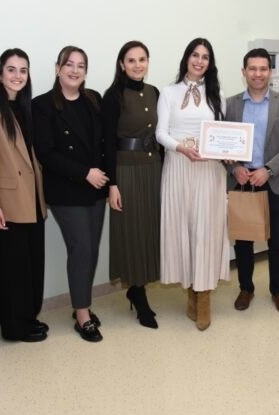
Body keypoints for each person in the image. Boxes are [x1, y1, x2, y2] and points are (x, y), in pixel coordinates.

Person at [0, 48, 48, 343]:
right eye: (11, 69)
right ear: (0, 74)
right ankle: (14, 328)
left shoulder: (27, 107)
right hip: (7, 202)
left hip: (33, 199)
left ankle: (29, 318)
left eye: (23, 70)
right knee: (12, 269)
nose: (17, 76)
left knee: (32, 266)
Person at [33, 46, 107, 342]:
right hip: (66, 189)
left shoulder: (93, 99)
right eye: (69, 64)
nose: (75, 70)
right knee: (82, 249)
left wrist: (106, 180)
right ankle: (82, 315)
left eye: (81, 66)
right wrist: (85, 173)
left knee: (92, 251)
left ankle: (82, 303)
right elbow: (46, 153)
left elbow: (102, 144)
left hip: (96, 188)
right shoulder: (42, 105)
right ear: (58, 68)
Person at [156, 38, 228, 331]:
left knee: (205, 232)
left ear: (210, 63)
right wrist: (181, 148)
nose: (199, 61)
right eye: (195, 55)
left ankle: (204, 297)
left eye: (205, 57)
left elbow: (223, 132)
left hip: (209, 169)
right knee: (182, 229)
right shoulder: (168, 92)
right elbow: (160, 133)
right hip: (179, 166)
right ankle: (191, 292)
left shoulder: (217, 94)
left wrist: (227, 152)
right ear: (186, 58)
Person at [226, 48, 279, 314]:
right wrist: (235, 167)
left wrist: (268, 169)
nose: (257, 74)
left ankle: (278, 291)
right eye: (252, 69)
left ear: (270, 72)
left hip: (273, 180)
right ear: (244, 71)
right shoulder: (231, 104)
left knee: (277, 240)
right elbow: (223, 145)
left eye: (263, 69)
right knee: (243, 240)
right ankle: (245, 288)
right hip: (242, 180)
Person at [102, 41, 161, 329]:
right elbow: (107, 143)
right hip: (126, 171)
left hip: (153, 169)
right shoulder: (113, 96)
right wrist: (112, 184)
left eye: (142, 59)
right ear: (122, 64)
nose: (138, 65)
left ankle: (139, 288)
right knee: (133, 230)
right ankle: (138, 294)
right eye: (131, 60)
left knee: (150, 229)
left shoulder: (154, 92)